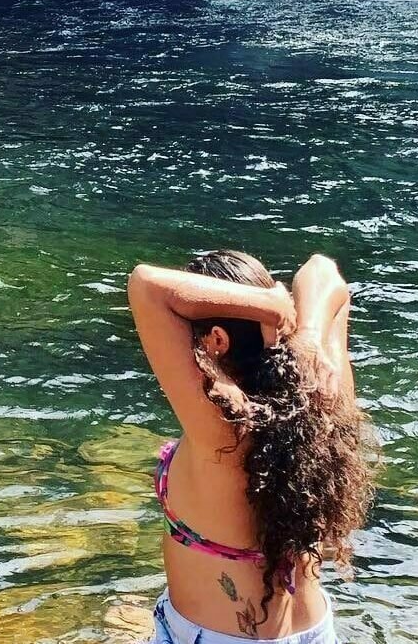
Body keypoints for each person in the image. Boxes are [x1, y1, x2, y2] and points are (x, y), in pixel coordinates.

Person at [127, 251, 373, 643]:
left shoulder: (221, 429)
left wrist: (270, 305)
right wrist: (306, 332)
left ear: (216, 340)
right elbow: (324, 271)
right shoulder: (323, 396)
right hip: (316, 631)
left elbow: (145, 285)